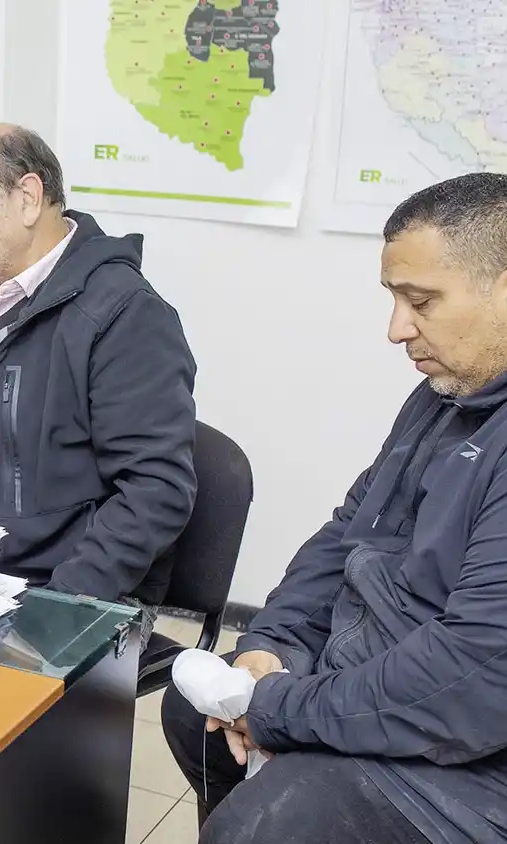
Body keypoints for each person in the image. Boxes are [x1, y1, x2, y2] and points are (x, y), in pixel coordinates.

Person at [162, 173, 507, 844]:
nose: (395, 329)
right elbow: (348, 533)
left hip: (477, 752)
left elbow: (473, 676)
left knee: (271, 823)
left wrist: (280, 708)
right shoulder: (445, 393)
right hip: (390, 670)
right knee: (193, 714)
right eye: (394, 299)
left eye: (421, 301)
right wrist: (272, 645)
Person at [0, 123, 197, 624]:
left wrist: (58, 606)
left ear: (28, 197)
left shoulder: (124, 312)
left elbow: (154, 491)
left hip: (41, 590)